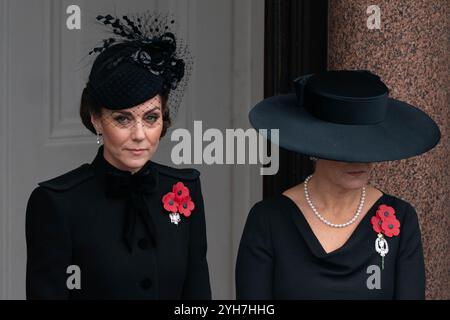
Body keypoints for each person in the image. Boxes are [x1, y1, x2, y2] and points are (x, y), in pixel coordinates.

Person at [25, 12, 211, 300]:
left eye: (151, 118)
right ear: (96, 120)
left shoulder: (186, 190)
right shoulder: (56, 203)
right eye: (123, 120)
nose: (139, 134)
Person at [236, 70, 441, 299]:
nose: (358, 159)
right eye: (345, 147)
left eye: (368, 146)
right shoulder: (268, 220)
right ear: (316, 146)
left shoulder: (401, 218)